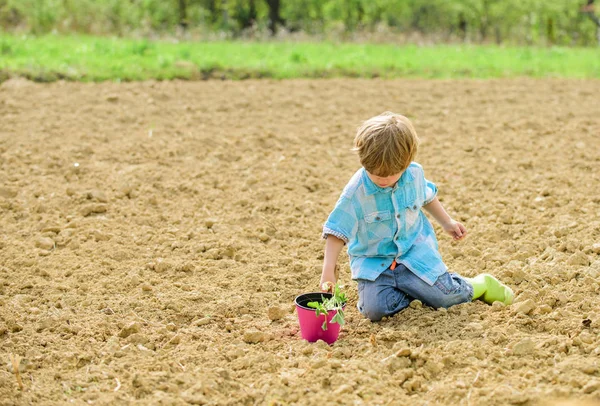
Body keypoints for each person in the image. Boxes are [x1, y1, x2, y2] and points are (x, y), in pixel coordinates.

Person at [319, 112, 513, 322]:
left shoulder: (414, 174)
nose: (383, 180)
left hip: (413, 254)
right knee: (374, 311)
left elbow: (426, 197)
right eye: (375, 174)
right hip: (376, 263)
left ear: (407, 162)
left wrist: (447, 222)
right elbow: (337, 230)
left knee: (445, 298)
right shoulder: (356, 191)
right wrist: (328, 269)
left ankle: (480, 284)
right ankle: (415, 291)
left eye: (392, 174)